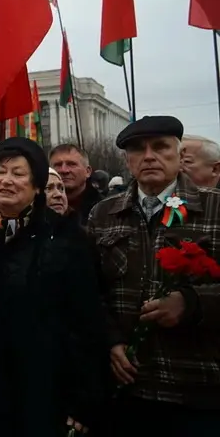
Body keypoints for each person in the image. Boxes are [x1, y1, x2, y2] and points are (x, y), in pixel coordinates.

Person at [0, 137, 105, 436]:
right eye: (0, 171)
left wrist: (85, 399)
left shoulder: (64, 236)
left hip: (41, 388)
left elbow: (86, 322)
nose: (6, 180)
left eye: (18, 174)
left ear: (36, 186)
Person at [89, 116, 220, 435]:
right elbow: (90, 293)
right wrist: (111, 342)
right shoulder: (104, 215)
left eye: (160, 147)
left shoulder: (214, 208)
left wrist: (191, 303)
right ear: (127, 160)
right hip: (127, 391)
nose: (149, 156)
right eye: (138, 149)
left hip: (198, 391)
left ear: (179, 154)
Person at [49, 144, 101, 223]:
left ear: (87, 171)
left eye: (71, 164)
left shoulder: (105, 209)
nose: (64, 170)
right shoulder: (37, 211)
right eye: (58, 165)